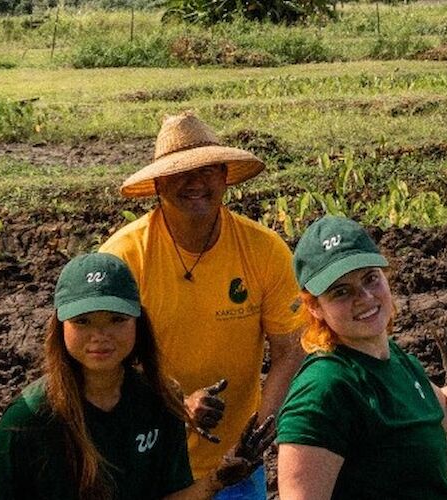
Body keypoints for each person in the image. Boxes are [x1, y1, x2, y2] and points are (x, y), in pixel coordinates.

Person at [99, 112, 304, 498]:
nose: (196, 182)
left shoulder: (263, 250)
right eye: (181, 173)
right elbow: (105, 362)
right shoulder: (125, 258)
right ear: (159, 183)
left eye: (208, 170)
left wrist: (255, 438)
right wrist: (176, 405)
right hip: (146, 458)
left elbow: (289, 350)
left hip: (233, 465)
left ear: (225, 177)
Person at [275, 215, 447, 499]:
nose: (364, 297)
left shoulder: (393, 360)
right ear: (315, 307)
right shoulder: (323, 389)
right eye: (341, 291)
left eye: (370, 278)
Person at [0, 253, 269, 499]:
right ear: (60, 329)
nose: (100, 336)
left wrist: (216, 479)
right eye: (83, 321)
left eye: (117, 320)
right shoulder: (30, 416)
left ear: (138, 323)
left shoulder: (160, 400)